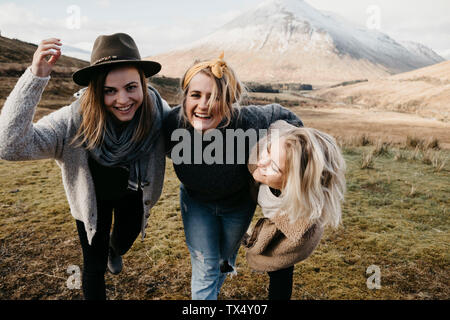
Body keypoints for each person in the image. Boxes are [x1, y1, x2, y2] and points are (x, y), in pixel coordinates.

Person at [0, 33, 169, 300]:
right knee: (93, 266)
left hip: (133, 196)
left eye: (131, 88)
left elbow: (193, 137)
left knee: (124, 240)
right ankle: (104, 255)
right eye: (109, 91)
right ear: (94, 90)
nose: (122, 100)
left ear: (143, 83)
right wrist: (35, 77)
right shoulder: (71, 122)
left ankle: (116, 249)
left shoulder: (158, 113)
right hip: (92, 204)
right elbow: (9, 146)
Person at [163, 53, 303, 299]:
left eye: (215, 97)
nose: (204, 104)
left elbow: (289, 119)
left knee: (223, 261)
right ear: (185, 97)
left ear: (229, 102)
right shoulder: (172, 124)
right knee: (206, 267)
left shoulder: (247, 121)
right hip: (196, 204)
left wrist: (285, 153)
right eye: (196, 95)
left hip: (238, 205)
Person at [243, 120, 346, 300]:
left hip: (284, 222)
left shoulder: (298, 217)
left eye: (274, 167)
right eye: (268, 150)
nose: (261, 162)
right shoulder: (280, 145)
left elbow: (281, 249)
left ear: (294, 184)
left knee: (281, 272)